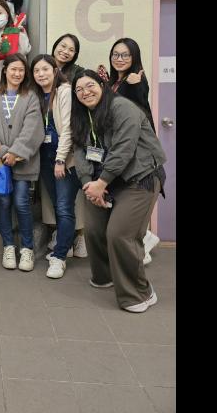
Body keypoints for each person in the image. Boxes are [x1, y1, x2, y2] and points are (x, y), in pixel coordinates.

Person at [71, 70, 166, 312]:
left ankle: (141, 293)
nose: (85, 92)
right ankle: (106, 276)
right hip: (103, 180)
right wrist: (89, 184)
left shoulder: (122, 107)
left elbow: (124, 148)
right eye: (79, 89)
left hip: (139, 177)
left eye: (90, 85)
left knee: (120, 234)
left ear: (102, 85)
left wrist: (101, 183)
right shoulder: (81, 115)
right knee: (94, 229)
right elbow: (79, 151)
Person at [0, 54, 44, 271]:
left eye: (21, 70)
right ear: (5, 70)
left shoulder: (31, 97)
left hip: (23, 163)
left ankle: (27, 248)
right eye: (13, 69)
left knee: (21, 203)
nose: (17, 73)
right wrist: (2, 152)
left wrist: (15, 153)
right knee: (3, 203)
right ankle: (8, 246)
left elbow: (33, 128)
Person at [104, 37, 161, 264]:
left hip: (136, 152)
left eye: (125, 55)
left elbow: (137, 109)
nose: (119, 59)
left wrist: (136, 86)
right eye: (115, 54)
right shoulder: (116, 81)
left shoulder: (136, 80)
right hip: (119, 148)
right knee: (119, 199)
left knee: (129, 197)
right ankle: (145, 237)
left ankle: (141, 243)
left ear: (134, 57)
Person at [29, 55, 78, 279]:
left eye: (45, 69)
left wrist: (61, 160)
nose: (41, 74)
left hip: (64, 158)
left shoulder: (65, 91)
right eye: (36, 71)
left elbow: (68, 129)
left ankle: (59, 257)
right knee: (58, 205)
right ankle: (64, 246)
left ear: (55, 70)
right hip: (45, 157)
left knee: (64, 207)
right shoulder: (37, 95)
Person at [0, 0, 30, 78]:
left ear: (7, 13)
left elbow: (24, 50)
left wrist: (16, 32)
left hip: (9, 78)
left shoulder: (16, 30)